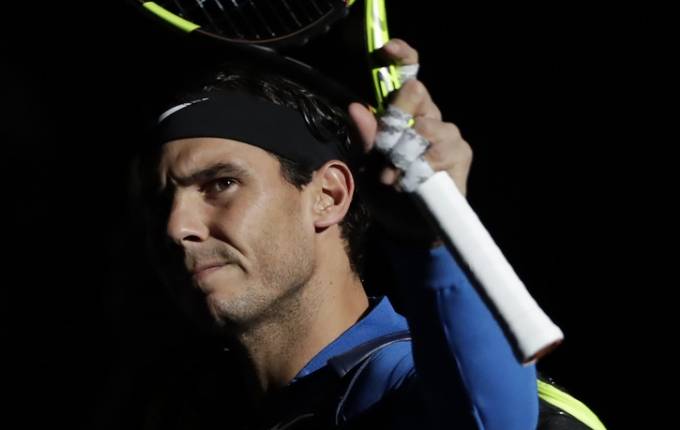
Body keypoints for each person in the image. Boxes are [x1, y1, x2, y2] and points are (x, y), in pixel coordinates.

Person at [133, 39, 538, 429]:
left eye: (221, 183)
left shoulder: (406, 385)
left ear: (329, 195)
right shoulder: (179, 409)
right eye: (157, 201)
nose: (176, 226)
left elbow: (492, 421)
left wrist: (434, 242)